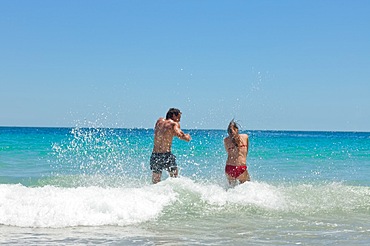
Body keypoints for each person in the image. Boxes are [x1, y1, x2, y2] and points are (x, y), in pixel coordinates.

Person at [150, 108, 191, 184]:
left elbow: (163, 133)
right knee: (174, 177)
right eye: (178, 117)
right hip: (166, 155)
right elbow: (179, 134)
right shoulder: (173, 124)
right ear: (173, 115)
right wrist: (186, 137)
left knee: (155, 181)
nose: (179, 120)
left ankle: (155, 194)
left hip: (155, 155)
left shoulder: (159, 122)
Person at [224, 120, 250, 186]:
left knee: (231, 190)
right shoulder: (245, 137)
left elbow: (228, 153)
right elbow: (246, 151)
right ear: (237, 129)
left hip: (229, 168)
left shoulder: (226, 140)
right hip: (241, 167)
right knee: (247, 188)